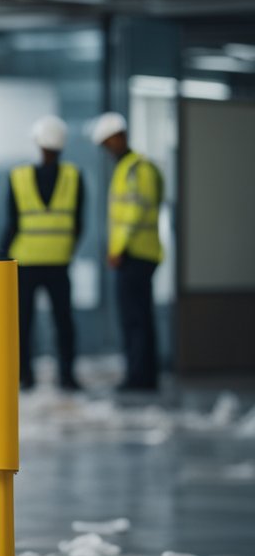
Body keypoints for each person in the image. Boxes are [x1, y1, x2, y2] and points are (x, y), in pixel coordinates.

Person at [0, 116, 83, 391]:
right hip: (59, 261)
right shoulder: (74, 177)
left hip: (26, 262)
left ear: (38, 143)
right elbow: (79, 223)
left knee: (23, 323)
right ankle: (67, 376)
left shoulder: (18, 177)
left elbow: (13, 223)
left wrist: (0, 257)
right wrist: (66, 248)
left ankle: (26, 376)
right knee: (64, 322)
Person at [91, 112, 163, 392]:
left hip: (135, 254)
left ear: (119, 136)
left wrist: (118, 249)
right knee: (139, 318)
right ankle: (144, 376)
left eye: (108, 142)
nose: (107, 149)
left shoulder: (136, 169)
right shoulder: (130, 168)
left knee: (135, 319)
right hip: (138, 254)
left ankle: (139, 378)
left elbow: (135, 212)